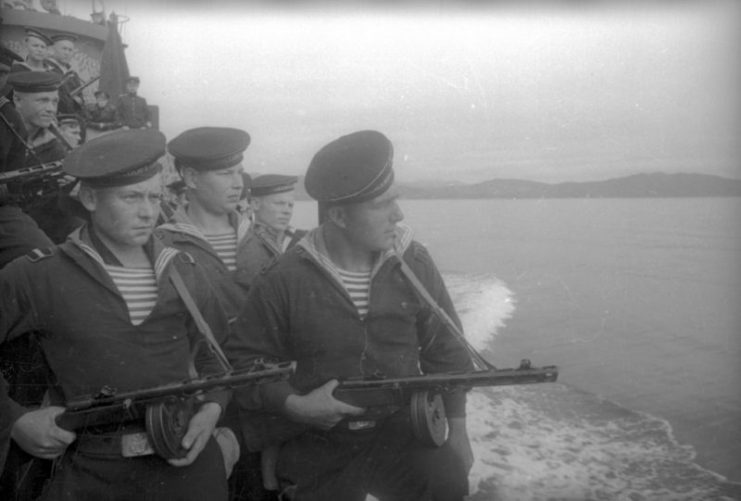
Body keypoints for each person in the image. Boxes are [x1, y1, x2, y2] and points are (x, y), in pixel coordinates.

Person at [230, 130, 475, 501]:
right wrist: (293, 405)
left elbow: (448, 352)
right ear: (339, 215)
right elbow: (243, 362)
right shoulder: (285, 278)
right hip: (318, 446)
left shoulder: (412, 263)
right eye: (382, 205)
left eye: (396, 199)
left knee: (446, 481)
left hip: (405, 433)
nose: (399, 215)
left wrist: (457, 430)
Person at [0, 129, 234, 500]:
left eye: (154, 197)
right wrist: (14, 420)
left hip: (186, 466)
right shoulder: (39, 275)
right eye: (131, 197)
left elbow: (219, 358)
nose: (147, 212)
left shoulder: (184, 270)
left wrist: (212, 410)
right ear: (90, 197)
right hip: (92, 473)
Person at [238, 174, 305, 287]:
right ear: (255, 204)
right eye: (279, 204)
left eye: (290, 205)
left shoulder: (302, 240)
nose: (287, 211)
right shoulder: (243, 242)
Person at [45, 32, 86, 118]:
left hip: (72, 119)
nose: (67, 53)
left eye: (70, 50)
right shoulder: (46, 70)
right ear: (53, 50)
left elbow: (81, 98)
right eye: (64, 49)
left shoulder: (73, 74)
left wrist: (79, 101)